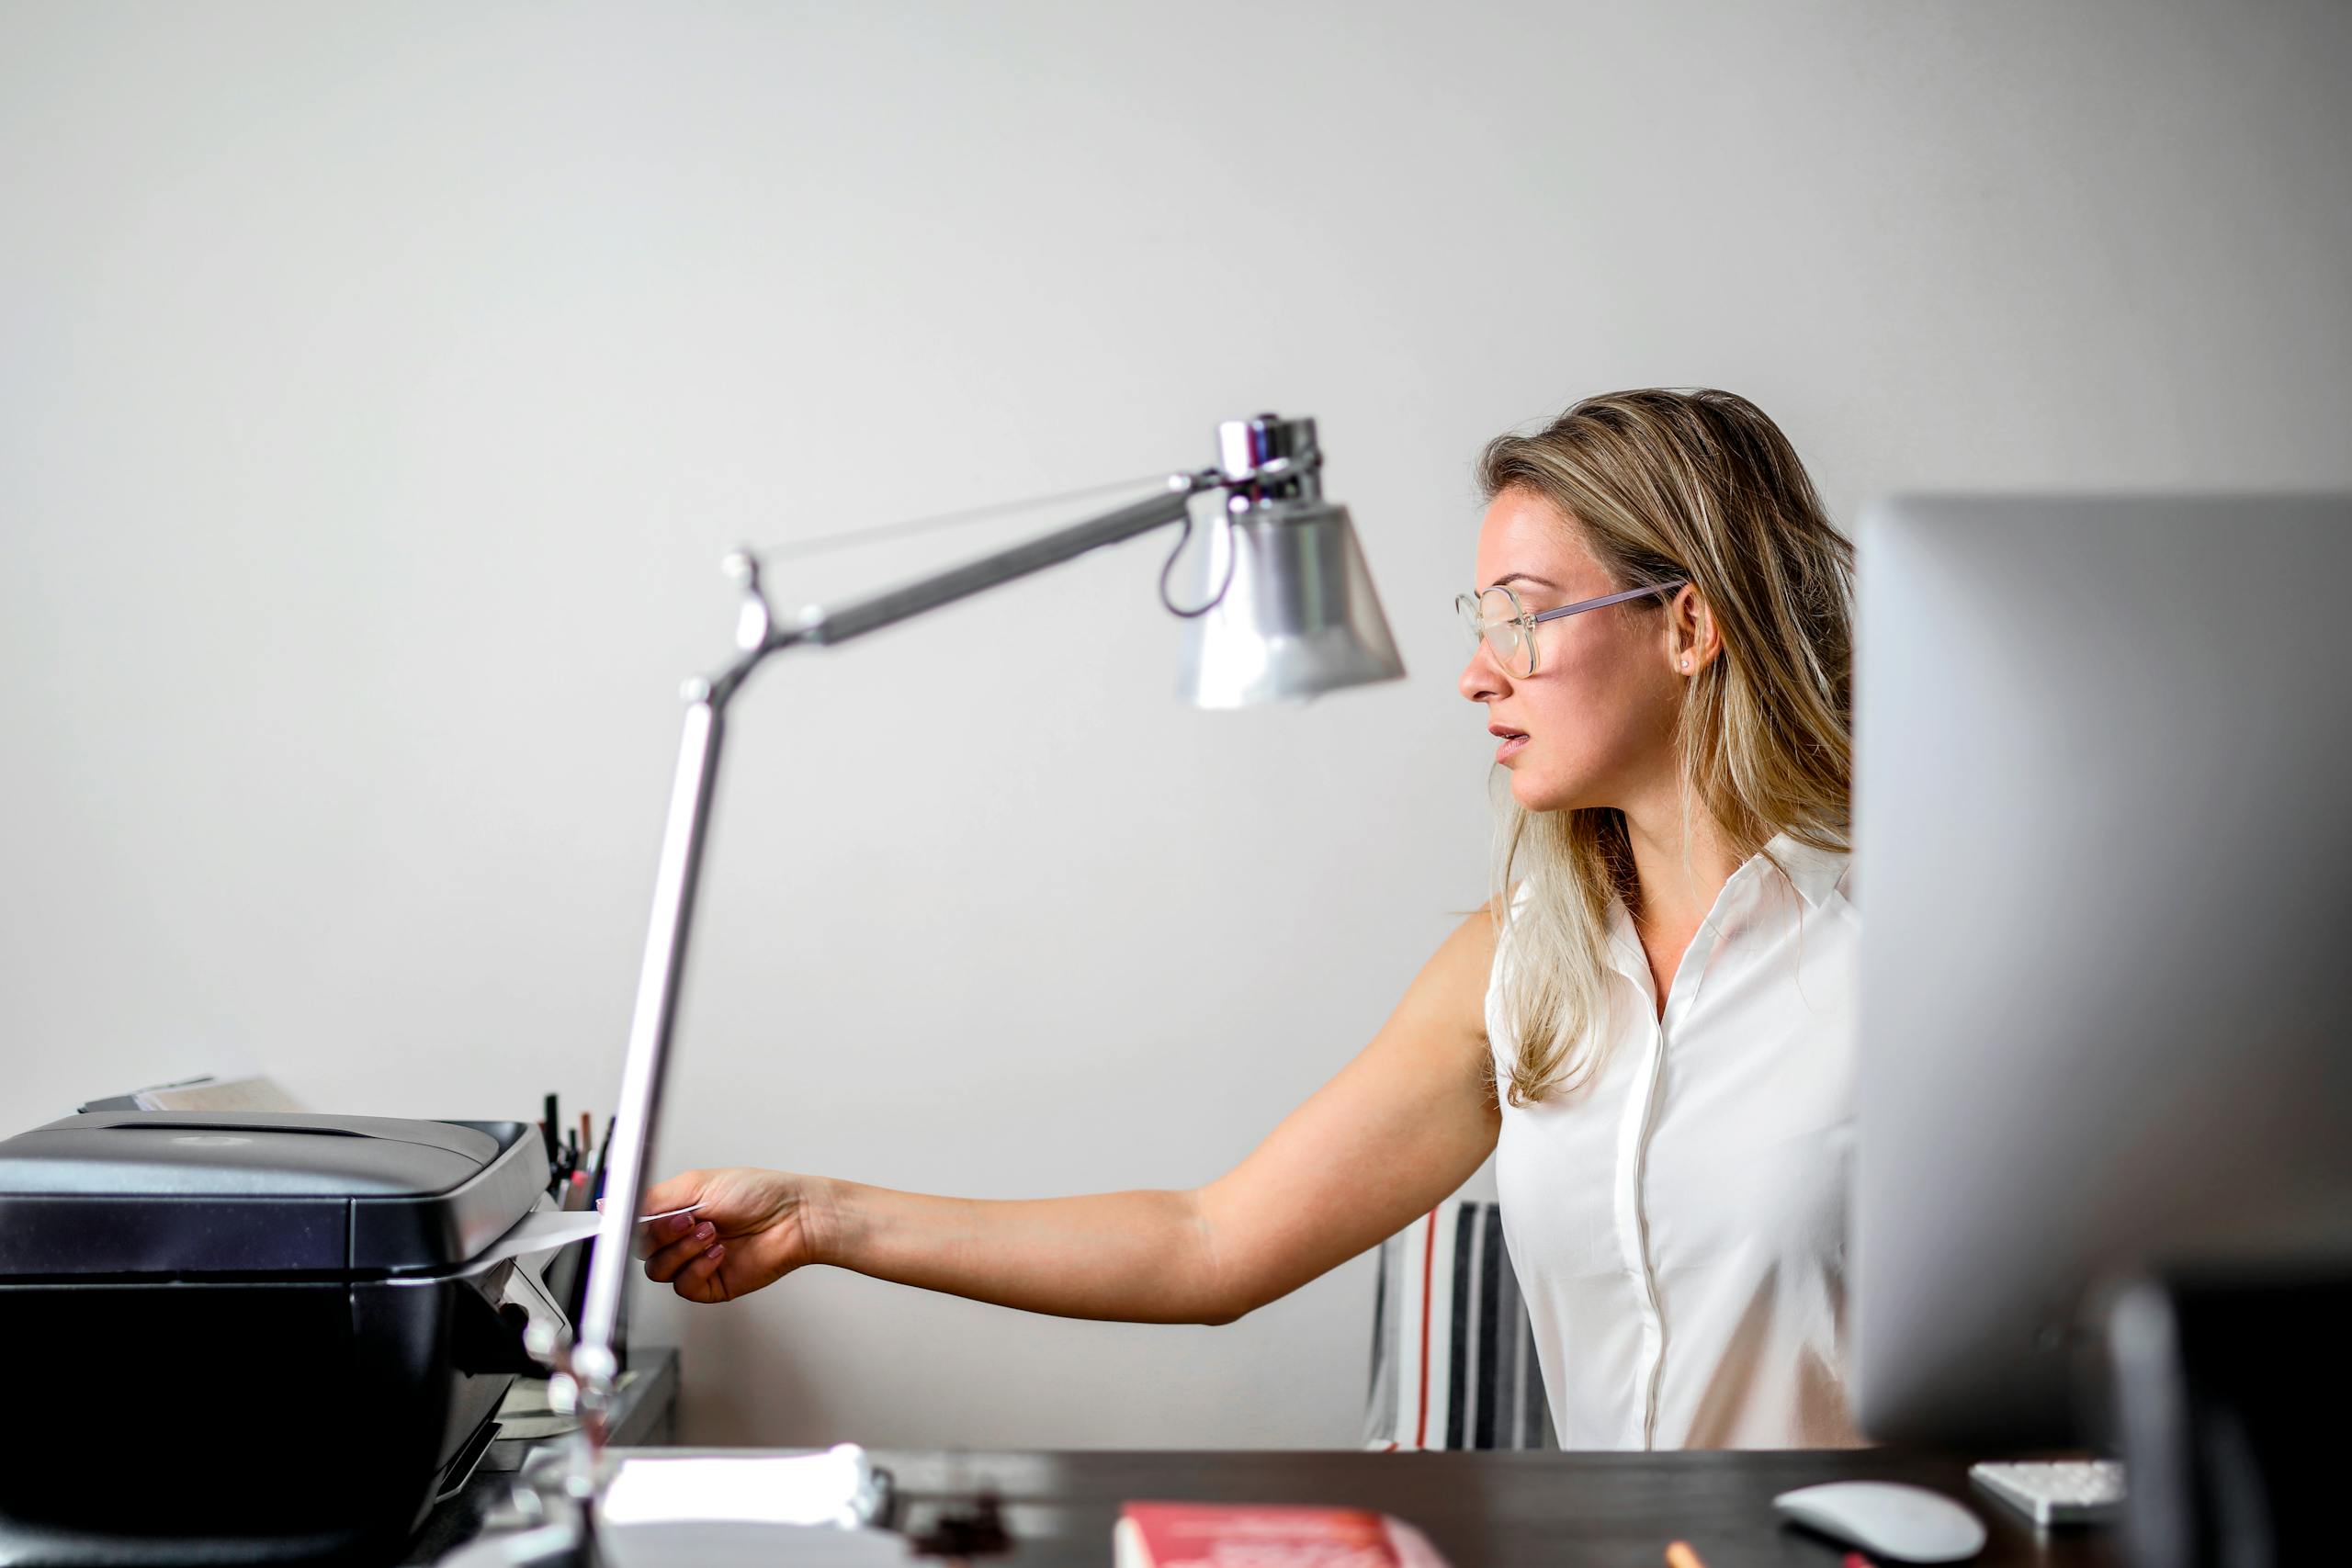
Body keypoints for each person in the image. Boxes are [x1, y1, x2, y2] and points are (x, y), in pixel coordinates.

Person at [635, 387, 1860, 1450]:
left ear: (1689, 624)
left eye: (1522, 619)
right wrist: (817, 1217)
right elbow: (1209, 1243)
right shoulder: (1519, 963)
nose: (1478, 672)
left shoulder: (1907, 949)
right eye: (1478, 622)